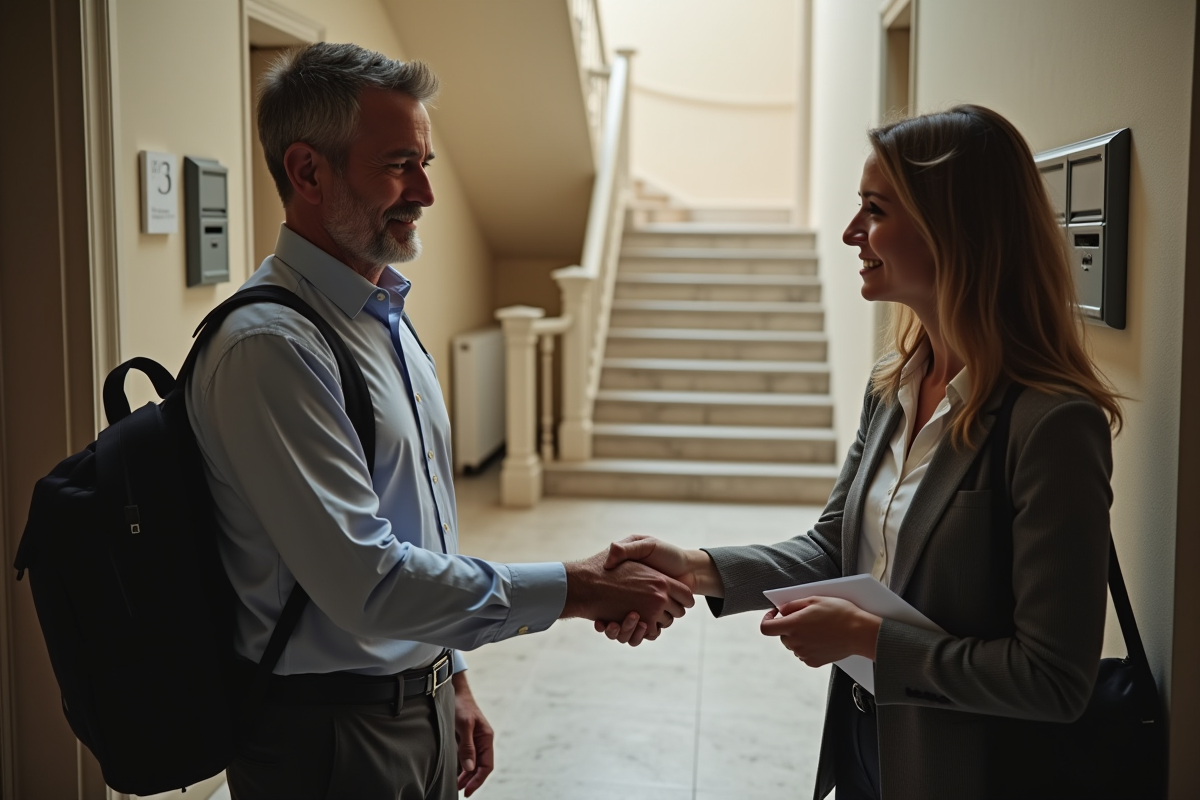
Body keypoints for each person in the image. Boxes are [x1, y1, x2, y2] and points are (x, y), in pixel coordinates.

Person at [186, 42, 692, 800]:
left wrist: (447, 676)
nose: (425, 191)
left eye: (426, 163)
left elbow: (417, 531)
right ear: (307, 172)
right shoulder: (272, 350)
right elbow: (370, 583)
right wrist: (577, 589)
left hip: (413, 708)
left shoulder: (381, 312)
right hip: (328, 737)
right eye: (399, 164)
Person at [598, 105, 1123, 800]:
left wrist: (869, 640)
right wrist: (694, 568)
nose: (851, 233)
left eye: (874, 211)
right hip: (865, 750)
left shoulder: (1052, 423)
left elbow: (1053, 680)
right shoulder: (894, 385)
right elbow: (832, 550)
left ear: (955, 227)